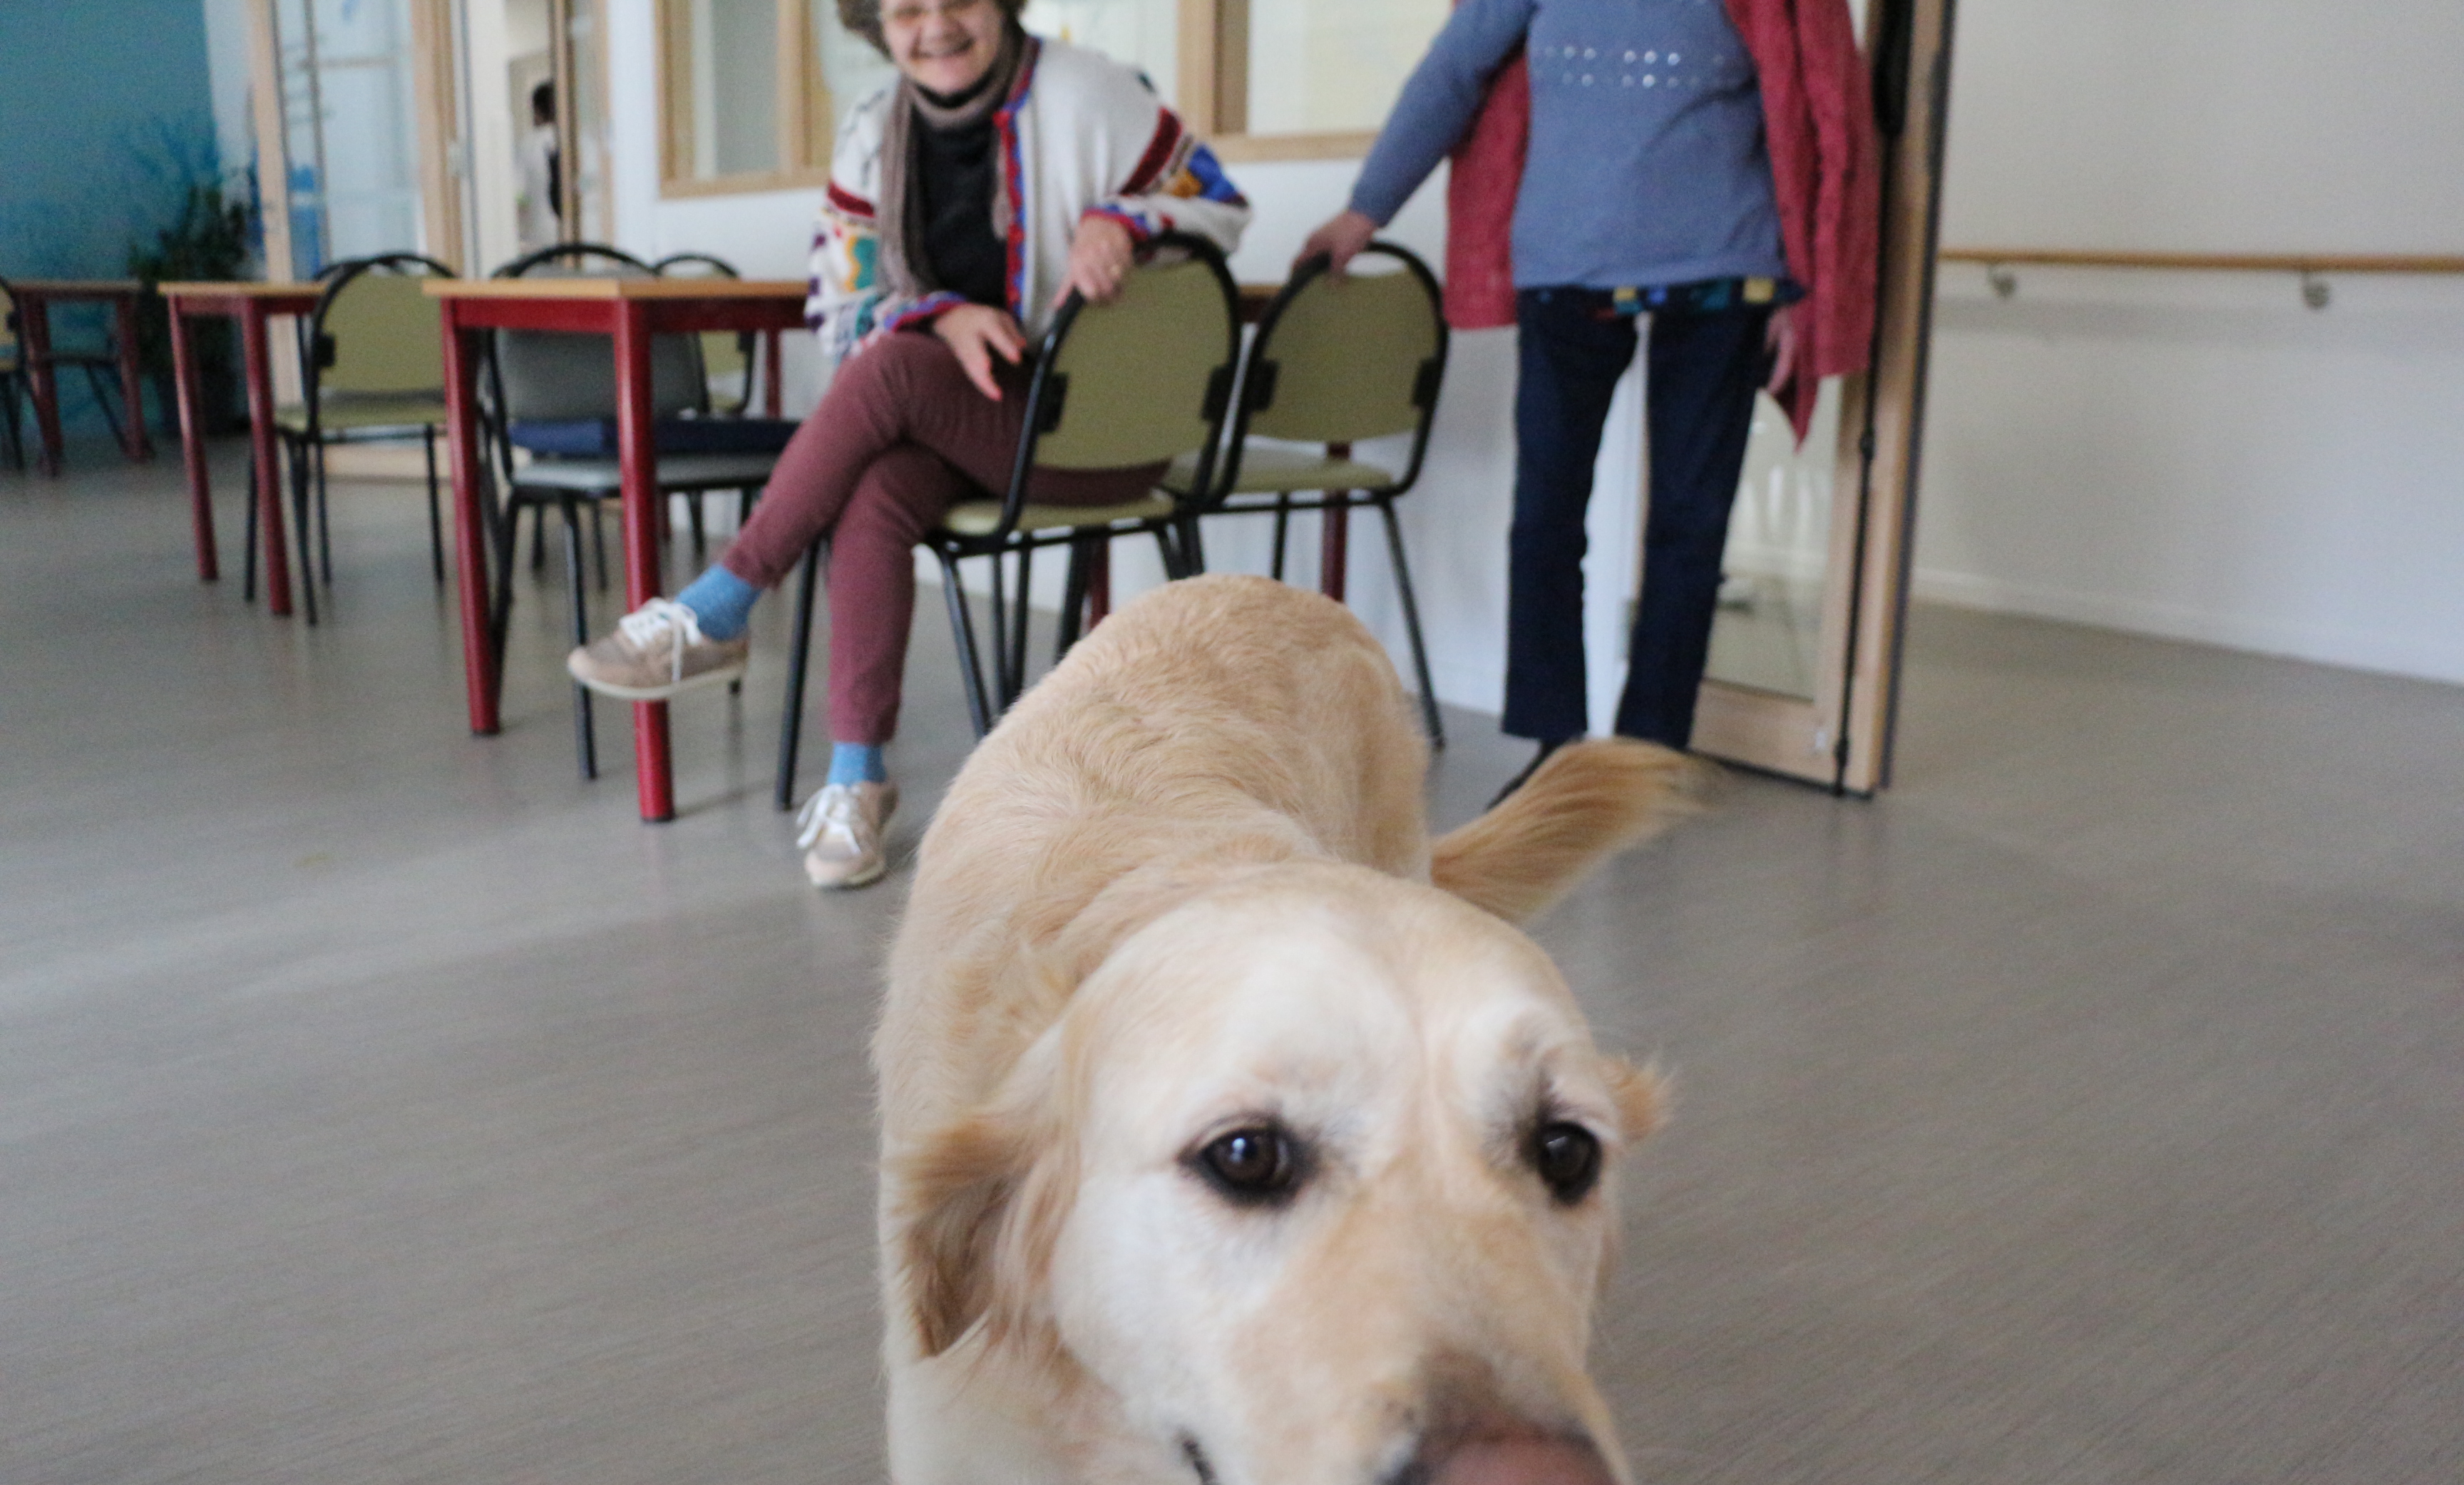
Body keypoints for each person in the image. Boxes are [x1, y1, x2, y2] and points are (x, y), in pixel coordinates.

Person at [566, 0, 1248, 888]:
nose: (936, 27)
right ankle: (858, 778)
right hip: (977, 431)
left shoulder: (1093, 90)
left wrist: (1123, 216)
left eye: (957, 0)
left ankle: (718, 608)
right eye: (906, 10)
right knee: (879, 487)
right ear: (875, 24)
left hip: (1100, 432)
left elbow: (1218, 200)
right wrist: (945, 317)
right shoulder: (870, 133)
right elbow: (839, 306)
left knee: (891, 370)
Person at [1297, 0, 1877, 793]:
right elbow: (1453, 72)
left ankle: (1649, 760)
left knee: (1689, 525)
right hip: (1567, 271)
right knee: (1546, 514)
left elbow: (1818, 101)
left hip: (1724, 272)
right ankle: (1554, 750)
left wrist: (1804, 291)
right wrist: (1366, 209)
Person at [515, 81, 562, 252]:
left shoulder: (529, 144)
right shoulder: (581, 140)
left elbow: (517, 193)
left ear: (537, 111)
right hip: (578, 240)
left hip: (541, 239)